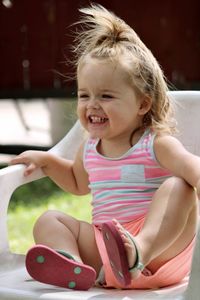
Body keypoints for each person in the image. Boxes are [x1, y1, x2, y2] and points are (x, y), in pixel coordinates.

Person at [11, 4, 200, 291]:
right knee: (49, 220)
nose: (92, 104)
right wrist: (48, 162)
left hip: (161, 252)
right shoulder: (89, 147)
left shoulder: (155, 143)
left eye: (107, 96)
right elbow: (77, 182)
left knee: (180, 186)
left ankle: (137, 252)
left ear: (143, 104)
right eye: (84, 95)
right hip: (107, 253)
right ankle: (73, 265)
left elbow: (193, 168)